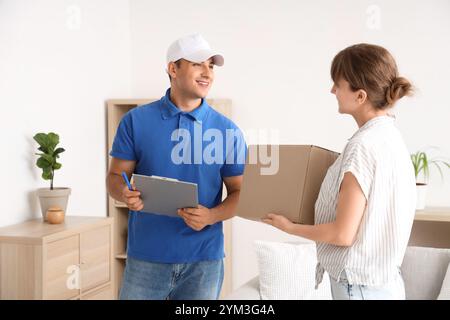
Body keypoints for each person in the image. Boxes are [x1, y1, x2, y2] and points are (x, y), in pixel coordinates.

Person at [263, 43, 415, 300]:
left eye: (338, 84)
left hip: (360, 288)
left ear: (360, 96)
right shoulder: (391, 138)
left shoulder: (362, 147)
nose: (332, 90)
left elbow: (342, 234)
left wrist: (289, 227)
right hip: (384, 285)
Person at [106, 33, 246, 300]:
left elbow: (241, 194)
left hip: (204, 262)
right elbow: (114, 176)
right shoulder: (135, 121)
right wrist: (123, 193)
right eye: (197, 64)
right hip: (146, 258)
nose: (207, 73)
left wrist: (212, 216)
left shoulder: (227, 131)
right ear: (173, 68)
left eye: (211, 66)